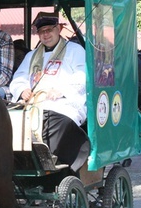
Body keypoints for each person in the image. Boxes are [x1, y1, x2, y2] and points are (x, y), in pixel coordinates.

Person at [9, 13, 89, 171]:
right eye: (42, 31)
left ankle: (49, 159)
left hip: (64, 102)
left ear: (58, 29)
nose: (46, 34)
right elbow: (19, 77)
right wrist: (22, 89)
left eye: (49, 30)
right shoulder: (32, 56)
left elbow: (82, 76)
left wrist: (61, 91)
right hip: (34, 103)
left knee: (56, 119)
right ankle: (20, 161)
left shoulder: (75, 50)